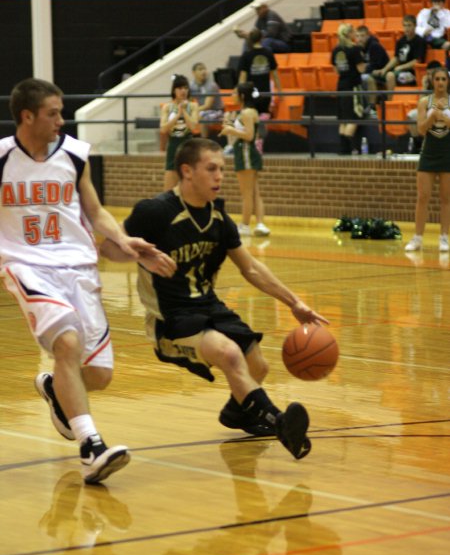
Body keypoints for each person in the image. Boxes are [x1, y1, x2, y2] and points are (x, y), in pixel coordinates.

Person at [102, 138, 329, 461]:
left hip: (207, 307)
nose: (220, 176)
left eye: (222, 169)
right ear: (187, 171)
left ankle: (237, 415)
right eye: (211, 169)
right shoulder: (155, 211)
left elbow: (250, 267)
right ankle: (280, 424)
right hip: (171, 319)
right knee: (231, 355)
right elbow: (107, 249)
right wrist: (137, 252)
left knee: (257, 366)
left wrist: (294, 302)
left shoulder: (218, 218)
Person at [0, 78, 175, 484]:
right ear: (27, 116)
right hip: (27, 266)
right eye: (53, 113)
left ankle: (56, 392)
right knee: (67, 343)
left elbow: (95, 211)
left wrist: (123, 239)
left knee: (98, 375)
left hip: (78, 267)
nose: (62, 120)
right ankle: (91, 447)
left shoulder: (76, 155)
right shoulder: (3, 157)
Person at [405, 67, 450, 253]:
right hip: (429, 153)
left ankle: (444, 237)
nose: (440, 82)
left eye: (443, 79)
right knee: (422, 197)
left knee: (446, 198)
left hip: (448, 153)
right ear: (432, 81)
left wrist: (443, 116)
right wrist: (433, 114)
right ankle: (418, 237)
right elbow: (422, 130)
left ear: (447, 81)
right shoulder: (424, 102)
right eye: (437, 79)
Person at [219, 82, 270, 237]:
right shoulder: (247, 112)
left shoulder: (247, 113)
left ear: (241, 95)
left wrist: (230, 130)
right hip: (247, 152)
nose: (232, 96)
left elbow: (248, 135)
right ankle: (260, 224)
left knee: (247, 193)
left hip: (246, 152)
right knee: (254, 191)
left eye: (234, 93)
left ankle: (245, 225)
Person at [160, 74, 199, 191]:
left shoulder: (193, 106)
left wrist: (184, 112)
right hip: (173, 144)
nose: (183, 91)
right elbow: (163, 129)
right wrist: (177, 115)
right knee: (169, 188)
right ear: (174, 90)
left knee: (189, 185)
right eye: (180, 88)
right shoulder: (167, 107)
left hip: (188, 144)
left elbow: (193, 126)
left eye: (185, 88)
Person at [331, 23, 366, 154]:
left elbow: (336, 70)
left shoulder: (336, 50)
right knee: (354, 117)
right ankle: (349, 146)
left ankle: (342, 147)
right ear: (350, 34)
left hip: (341, 85)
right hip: (353, 86)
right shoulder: (355, 49)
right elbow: (361, 69)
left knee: (344, 118)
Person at [372, 15, 427, 95]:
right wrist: (384, 69)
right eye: (404, 25)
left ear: (415, 26)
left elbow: (417, 61)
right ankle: (375, 103)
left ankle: (390, 103)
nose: (406, 28)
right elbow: (396, 58)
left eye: (409, 25)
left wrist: (400, 67)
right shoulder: (400, 41)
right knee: (373, 75)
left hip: (412, 73)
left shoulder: (420, 41)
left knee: (390, 76)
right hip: (398, 70)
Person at [237, 28, 282, 117]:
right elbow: (275, 75)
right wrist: (280, 92)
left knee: (251, 121)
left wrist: (240, 95)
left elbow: (242, 77)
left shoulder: (247, 55)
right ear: (261, 38)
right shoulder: (268, 53)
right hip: (265, 93)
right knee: (263, 119)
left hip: (250, 94)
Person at [355, 24, 390, 117]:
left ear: (368, 35)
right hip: (371, 71)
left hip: (383, 73)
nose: (360, 38)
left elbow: (375, 65)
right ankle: (360, 107)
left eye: (362, 36)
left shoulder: (374, 46)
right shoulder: (359, 48)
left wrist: (363, 68)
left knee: (365, 78)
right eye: (357, 36)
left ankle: (372, 108)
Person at [189, 62, 224, 140]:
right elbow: (189, 101)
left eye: (204, 69)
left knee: (201, 116)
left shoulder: (211, 85)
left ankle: (204, 141)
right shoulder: (191, 85)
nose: (203, 71)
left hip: (216, 111)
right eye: (200, 69)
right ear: (193, 73)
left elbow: (207, 105)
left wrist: (194, 111)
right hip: (202, 110)